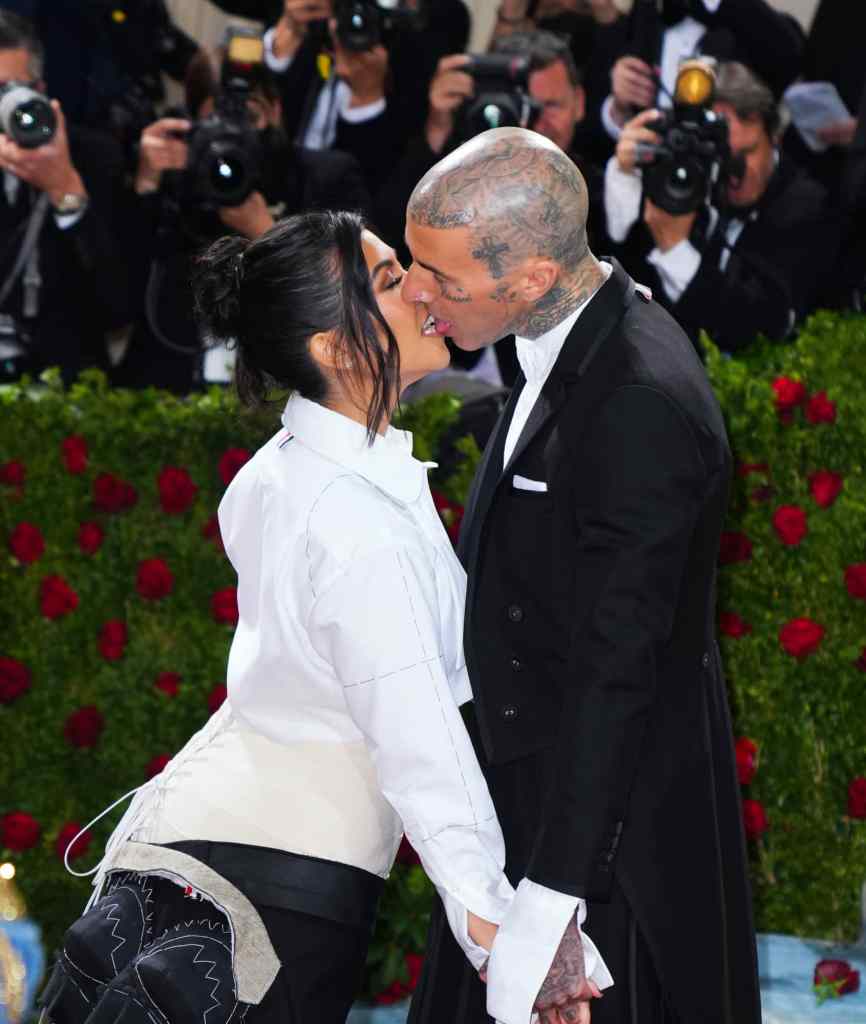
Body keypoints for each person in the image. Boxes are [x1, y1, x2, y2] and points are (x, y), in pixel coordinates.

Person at [40, 210, 525, 1024]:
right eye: (388, 280)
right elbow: (417, 746)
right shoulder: (355, 520)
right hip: (273, 896)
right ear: (332, 348)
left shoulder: (279, 472)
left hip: (177, 856)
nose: (420, 287)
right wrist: (500, 936)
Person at [401, 127, 761, 1024]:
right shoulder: (577, 330)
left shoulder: (637, 398)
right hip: (539, 797)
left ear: (528, 279)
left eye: (441, 277)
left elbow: (618, 669)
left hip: (606, 854)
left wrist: (550, 900)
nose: (416, 293)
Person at [112, 44, 370, 393]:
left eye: (248, 119)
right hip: (169, 383)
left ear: (276, 110)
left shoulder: (324, 177)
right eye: (216, 122)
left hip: (282, 391)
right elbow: (118, 296)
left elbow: (361, 296)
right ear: (191, 123)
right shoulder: (174, 177)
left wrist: (269, 233)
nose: (235, 136)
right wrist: (146, 186)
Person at [606, 61, 841, 353]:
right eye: (723, 155)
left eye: (747, 152)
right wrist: (624, 175)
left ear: (775, 137)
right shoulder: (690, 181)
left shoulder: (810, 207)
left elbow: (759, 325)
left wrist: (675, 248)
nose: (735, 170)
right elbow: (626, 285)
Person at [0, 10, 130, 384]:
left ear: (39, 90)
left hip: (64, 388)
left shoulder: (94, 157)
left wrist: (65, 190)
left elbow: (117, 307)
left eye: (10, 91)